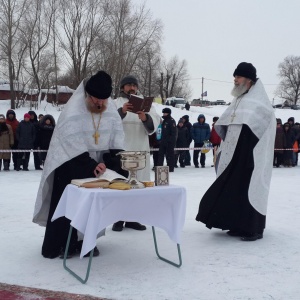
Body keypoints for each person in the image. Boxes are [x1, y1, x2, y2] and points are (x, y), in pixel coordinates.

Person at [33, 71, 126, 259]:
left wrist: (112, 161)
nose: (100, 104)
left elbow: (116, 140)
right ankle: (63, 244)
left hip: (97, 168)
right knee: (68, 205)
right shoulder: (72, 111)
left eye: (103, 100)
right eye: (95, 99)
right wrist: (90, 164)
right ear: (87, 95)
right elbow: (69, 141)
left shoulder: (110, 111)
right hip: (70, 165)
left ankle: (86, 242)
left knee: (92, 206)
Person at [196, 62, 276, 241]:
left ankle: (253, 228)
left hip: (251, 156)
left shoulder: (260, 103)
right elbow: (226, 122)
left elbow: (262, 132)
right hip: (234, 155)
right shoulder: (239, 100)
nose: (235, 80)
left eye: (238, 77)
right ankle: (237, 224)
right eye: (235, 77)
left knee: (251, 190)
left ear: (249, 80)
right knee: (234, 189)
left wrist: (250, 152)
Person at [112, 75, 160, 232]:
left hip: (140, 149)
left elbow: (154, 124)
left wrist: (145, 117)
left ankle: (134, 218)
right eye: (128, 85)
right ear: (122, 87)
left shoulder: (146, 104)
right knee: (121, 185)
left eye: (134, 85)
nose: (132, 88)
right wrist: (121, 112)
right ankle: (118, 218)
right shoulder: (115, 103)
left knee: (139, 185)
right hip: (122, 151)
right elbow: (108, 122)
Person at [157, 107, 177, 172]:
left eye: (165, 113)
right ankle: (159, 167)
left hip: (170, 142)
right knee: (160, 155)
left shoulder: (171, 121)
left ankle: (170, 168)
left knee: (170, 155)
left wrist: (170, 140)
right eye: (163, 113)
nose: (164, 114)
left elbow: (173, 132)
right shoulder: (164, 121)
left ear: (168, 113)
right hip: (163, 141)